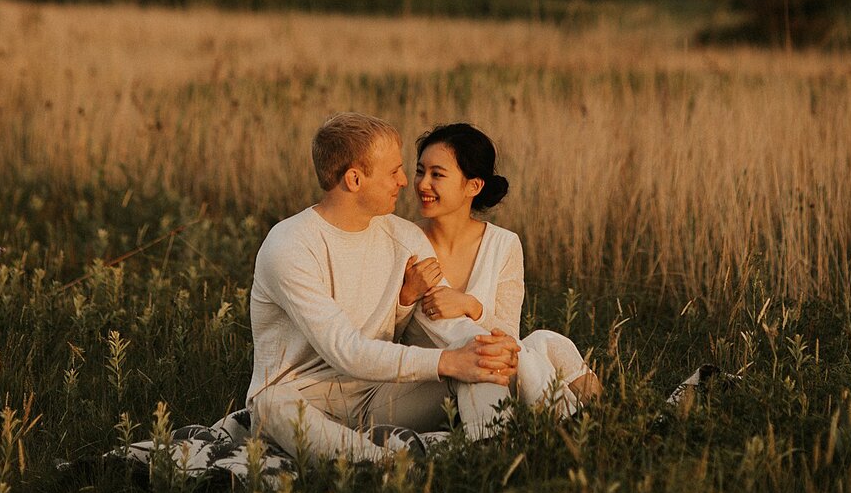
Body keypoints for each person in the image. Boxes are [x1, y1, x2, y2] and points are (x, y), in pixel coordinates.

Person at [246, 113, 519, 464]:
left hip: (378, 394)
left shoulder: (405, 237)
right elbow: (345, 350)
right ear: (355, 179)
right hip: (302, 397)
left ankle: (493, 462)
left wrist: (484, 349)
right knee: (270, 404)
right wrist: (447, 360)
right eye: (394, 171)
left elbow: (445, 321)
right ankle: (381, 467)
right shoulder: (290, 245)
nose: (407, 182)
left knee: (477, 361)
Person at [404, 121, 600, 431]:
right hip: (430, 385)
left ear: (473, 186)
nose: (422, 184)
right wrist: (406, 297)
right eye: (419, 171)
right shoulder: (405, 242)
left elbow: (508, 333)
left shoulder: (504, 244)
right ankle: (570, 421)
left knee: (546, 339)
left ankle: (597, 414)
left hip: (493, 375)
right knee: (529, 348)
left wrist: (471, 306)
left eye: (437, 174)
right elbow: (381, 334)